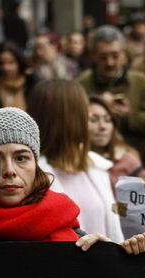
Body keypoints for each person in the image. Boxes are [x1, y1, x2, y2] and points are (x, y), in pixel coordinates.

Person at [0, 106, 145, 253]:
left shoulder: (71, 231)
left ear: (35, 166)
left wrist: (111, 255)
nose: (10, 171)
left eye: (21, 158)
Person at [29, 80, 124, 242]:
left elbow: (115, 234)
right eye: (84, 109)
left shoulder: (97, 167)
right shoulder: (33, 176)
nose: (88, 117)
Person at [76, 25, 145, 160]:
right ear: (93, 56)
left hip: (135, 157)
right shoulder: (81, 84)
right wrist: (96, 105)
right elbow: (73, 123)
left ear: (124, 54)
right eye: (103, 57)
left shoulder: (141, 81)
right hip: (92, 158)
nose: (110, 63)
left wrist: (130, 116)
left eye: (115, 55)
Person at [88, 97, 145, 191]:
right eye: (93, 120)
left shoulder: (128, 160)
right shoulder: (70, 164)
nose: (102, 126)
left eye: (107, 120)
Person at [0, 42, 38, 110]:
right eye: (1, 63)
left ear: (19, 63)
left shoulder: (32, 84)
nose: (6, 68)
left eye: (11, 62)